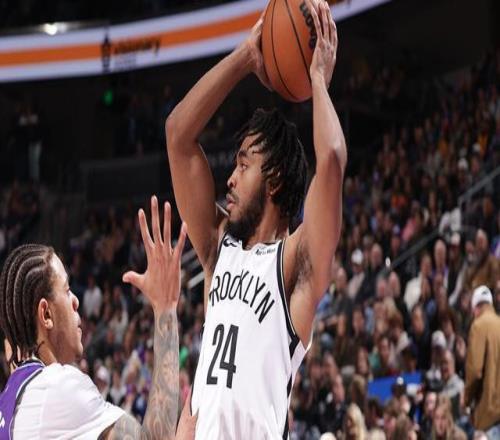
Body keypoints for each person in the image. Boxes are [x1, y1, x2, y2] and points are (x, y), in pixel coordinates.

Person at [166, 1, 345, 438]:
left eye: (244, 165)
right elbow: (178, 136)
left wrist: (317, 80)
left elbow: (332, 159)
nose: (229, 178)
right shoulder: (218, 248)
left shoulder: (295, 263)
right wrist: (246, 57)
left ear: (275, 179)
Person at [0, 197, 191, 439]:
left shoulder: (12, 399)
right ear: (46, 314)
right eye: (67, 290)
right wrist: (166, 307)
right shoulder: (57, 387)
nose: (75, 301)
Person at [465, 285, 500, 437]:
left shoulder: (478, 326)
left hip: (490, 414)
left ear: (476, 308)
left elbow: (475, 371)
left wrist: (466, 400)